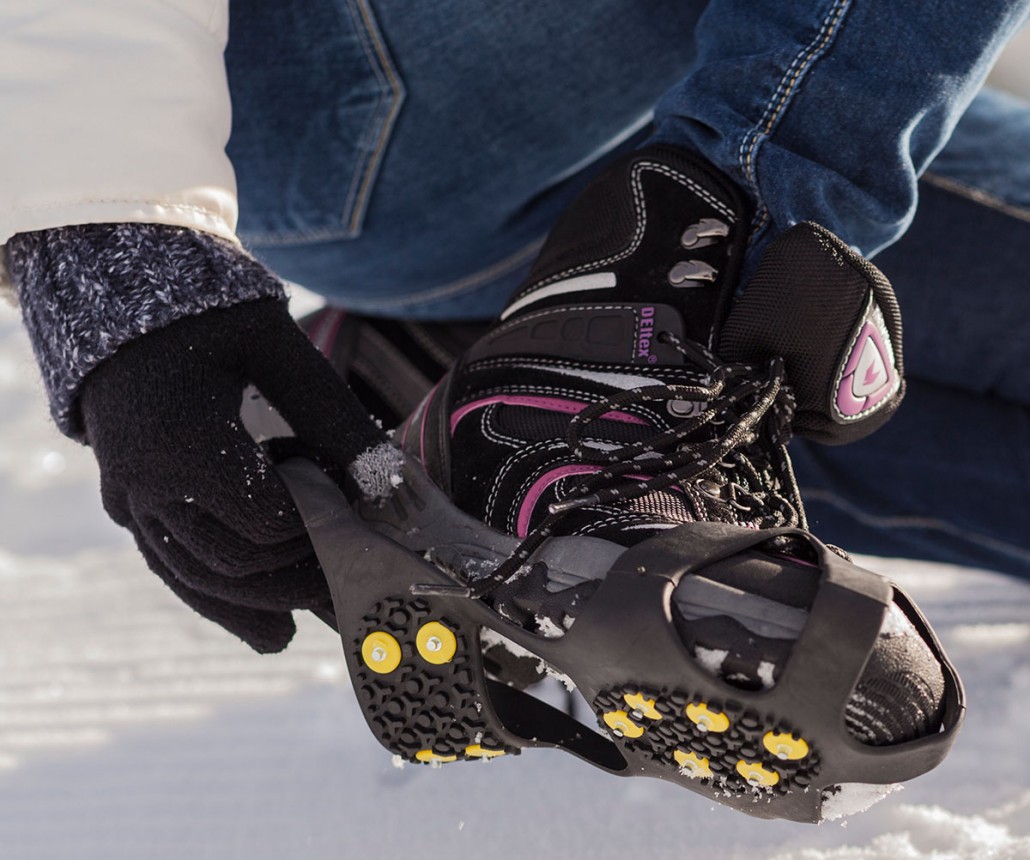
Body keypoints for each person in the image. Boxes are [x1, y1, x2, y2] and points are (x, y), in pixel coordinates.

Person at [1, 1, 1020, 811]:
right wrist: (113, 250)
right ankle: (633, 319)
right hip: (378, 77)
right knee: (774, 224)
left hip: (661, 84)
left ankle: (484, 376)